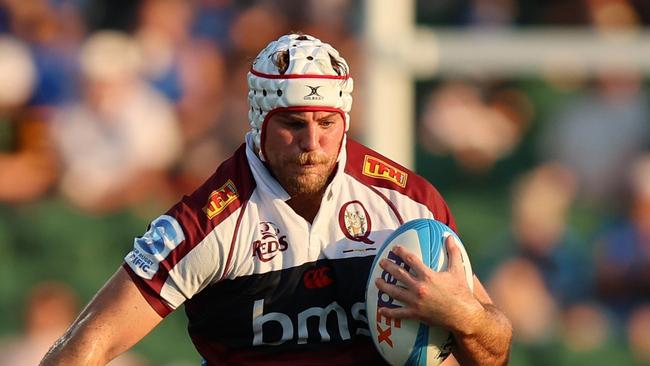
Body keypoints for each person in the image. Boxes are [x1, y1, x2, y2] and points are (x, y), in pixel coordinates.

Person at [40, 34, 512, 365]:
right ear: (260, 123)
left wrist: (466, 318)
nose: (312, 144)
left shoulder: (406, 204)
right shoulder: (205, 223)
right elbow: (83, 349)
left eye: (327, 125)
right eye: (293, 125)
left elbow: (493, 354)